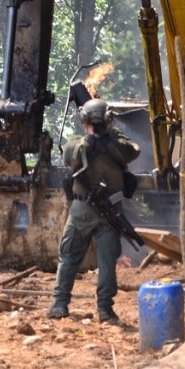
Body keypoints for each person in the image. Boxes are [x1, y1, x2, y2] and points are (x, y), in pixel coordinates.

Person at [46, 98, 140, 326]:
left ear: (83, 119)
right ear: (108, 119)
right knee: (107, 262)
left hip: (81, 210)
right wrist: (109, 138)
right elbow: (134, 151)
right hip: (109, 211)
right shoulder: (120, 147)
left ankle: (60, 304)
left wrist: (92, 140)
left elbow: (68, 157)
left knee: (69, 257)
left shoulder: (74, 146)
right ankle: (105, 310)